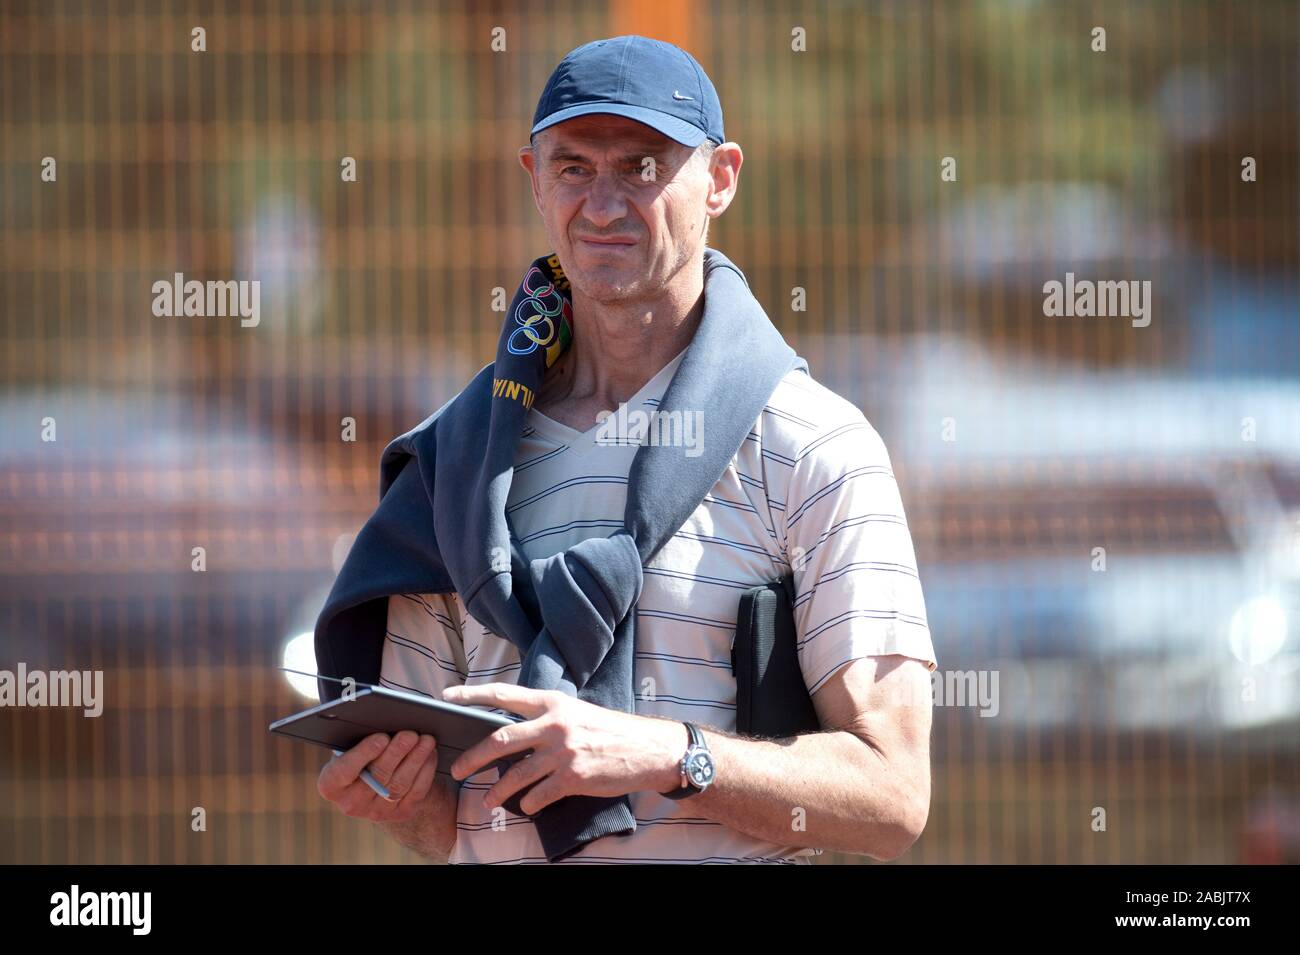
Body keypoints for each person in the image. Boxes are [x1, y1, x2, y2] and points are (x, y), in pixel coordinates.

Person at [318, 35, 937, 864]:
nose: (604, 204)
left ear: (719, 180)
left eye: (643, 167)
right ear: (534, 180)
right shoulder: (459, 461)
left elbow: (892, 796)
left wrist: (669, 754)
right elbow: (454, 820)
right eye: (574, 167)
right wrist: (395, 796)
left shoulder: (814, 444)